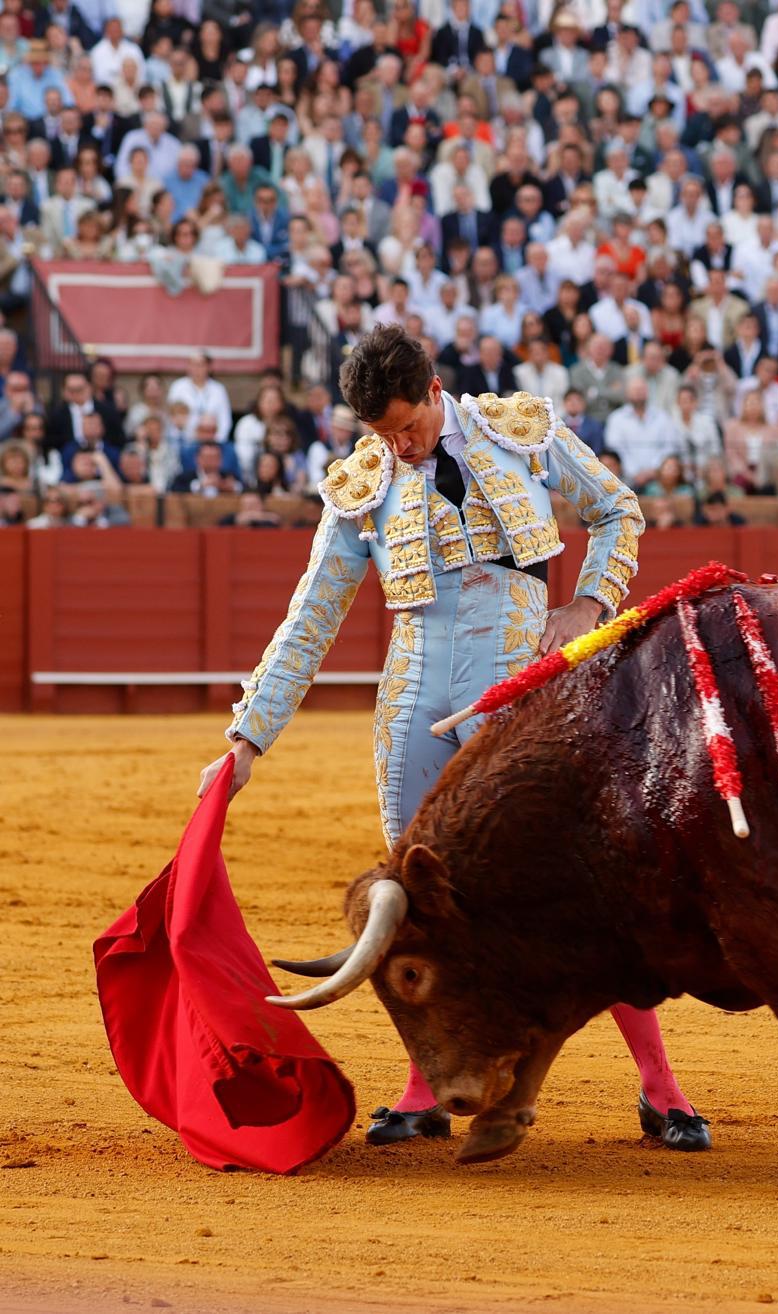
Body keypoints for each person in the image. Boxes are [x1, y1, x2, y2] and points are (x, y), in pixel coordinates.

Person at [198, 326, 710, 1153]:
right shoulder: (363, 483)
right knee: (417, 907)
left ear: (435, 391)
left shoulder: (518, 428)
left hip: (517, 691)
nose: (398, 448)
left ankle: (661, 1088)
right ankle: (423, 1088)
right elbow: (311, 617)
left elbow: (619, 509)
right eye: (381, 435)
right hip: (411, 699)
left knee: (582, 892)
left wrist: (586, 604)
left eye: (407, 427)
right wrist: (248, 740)